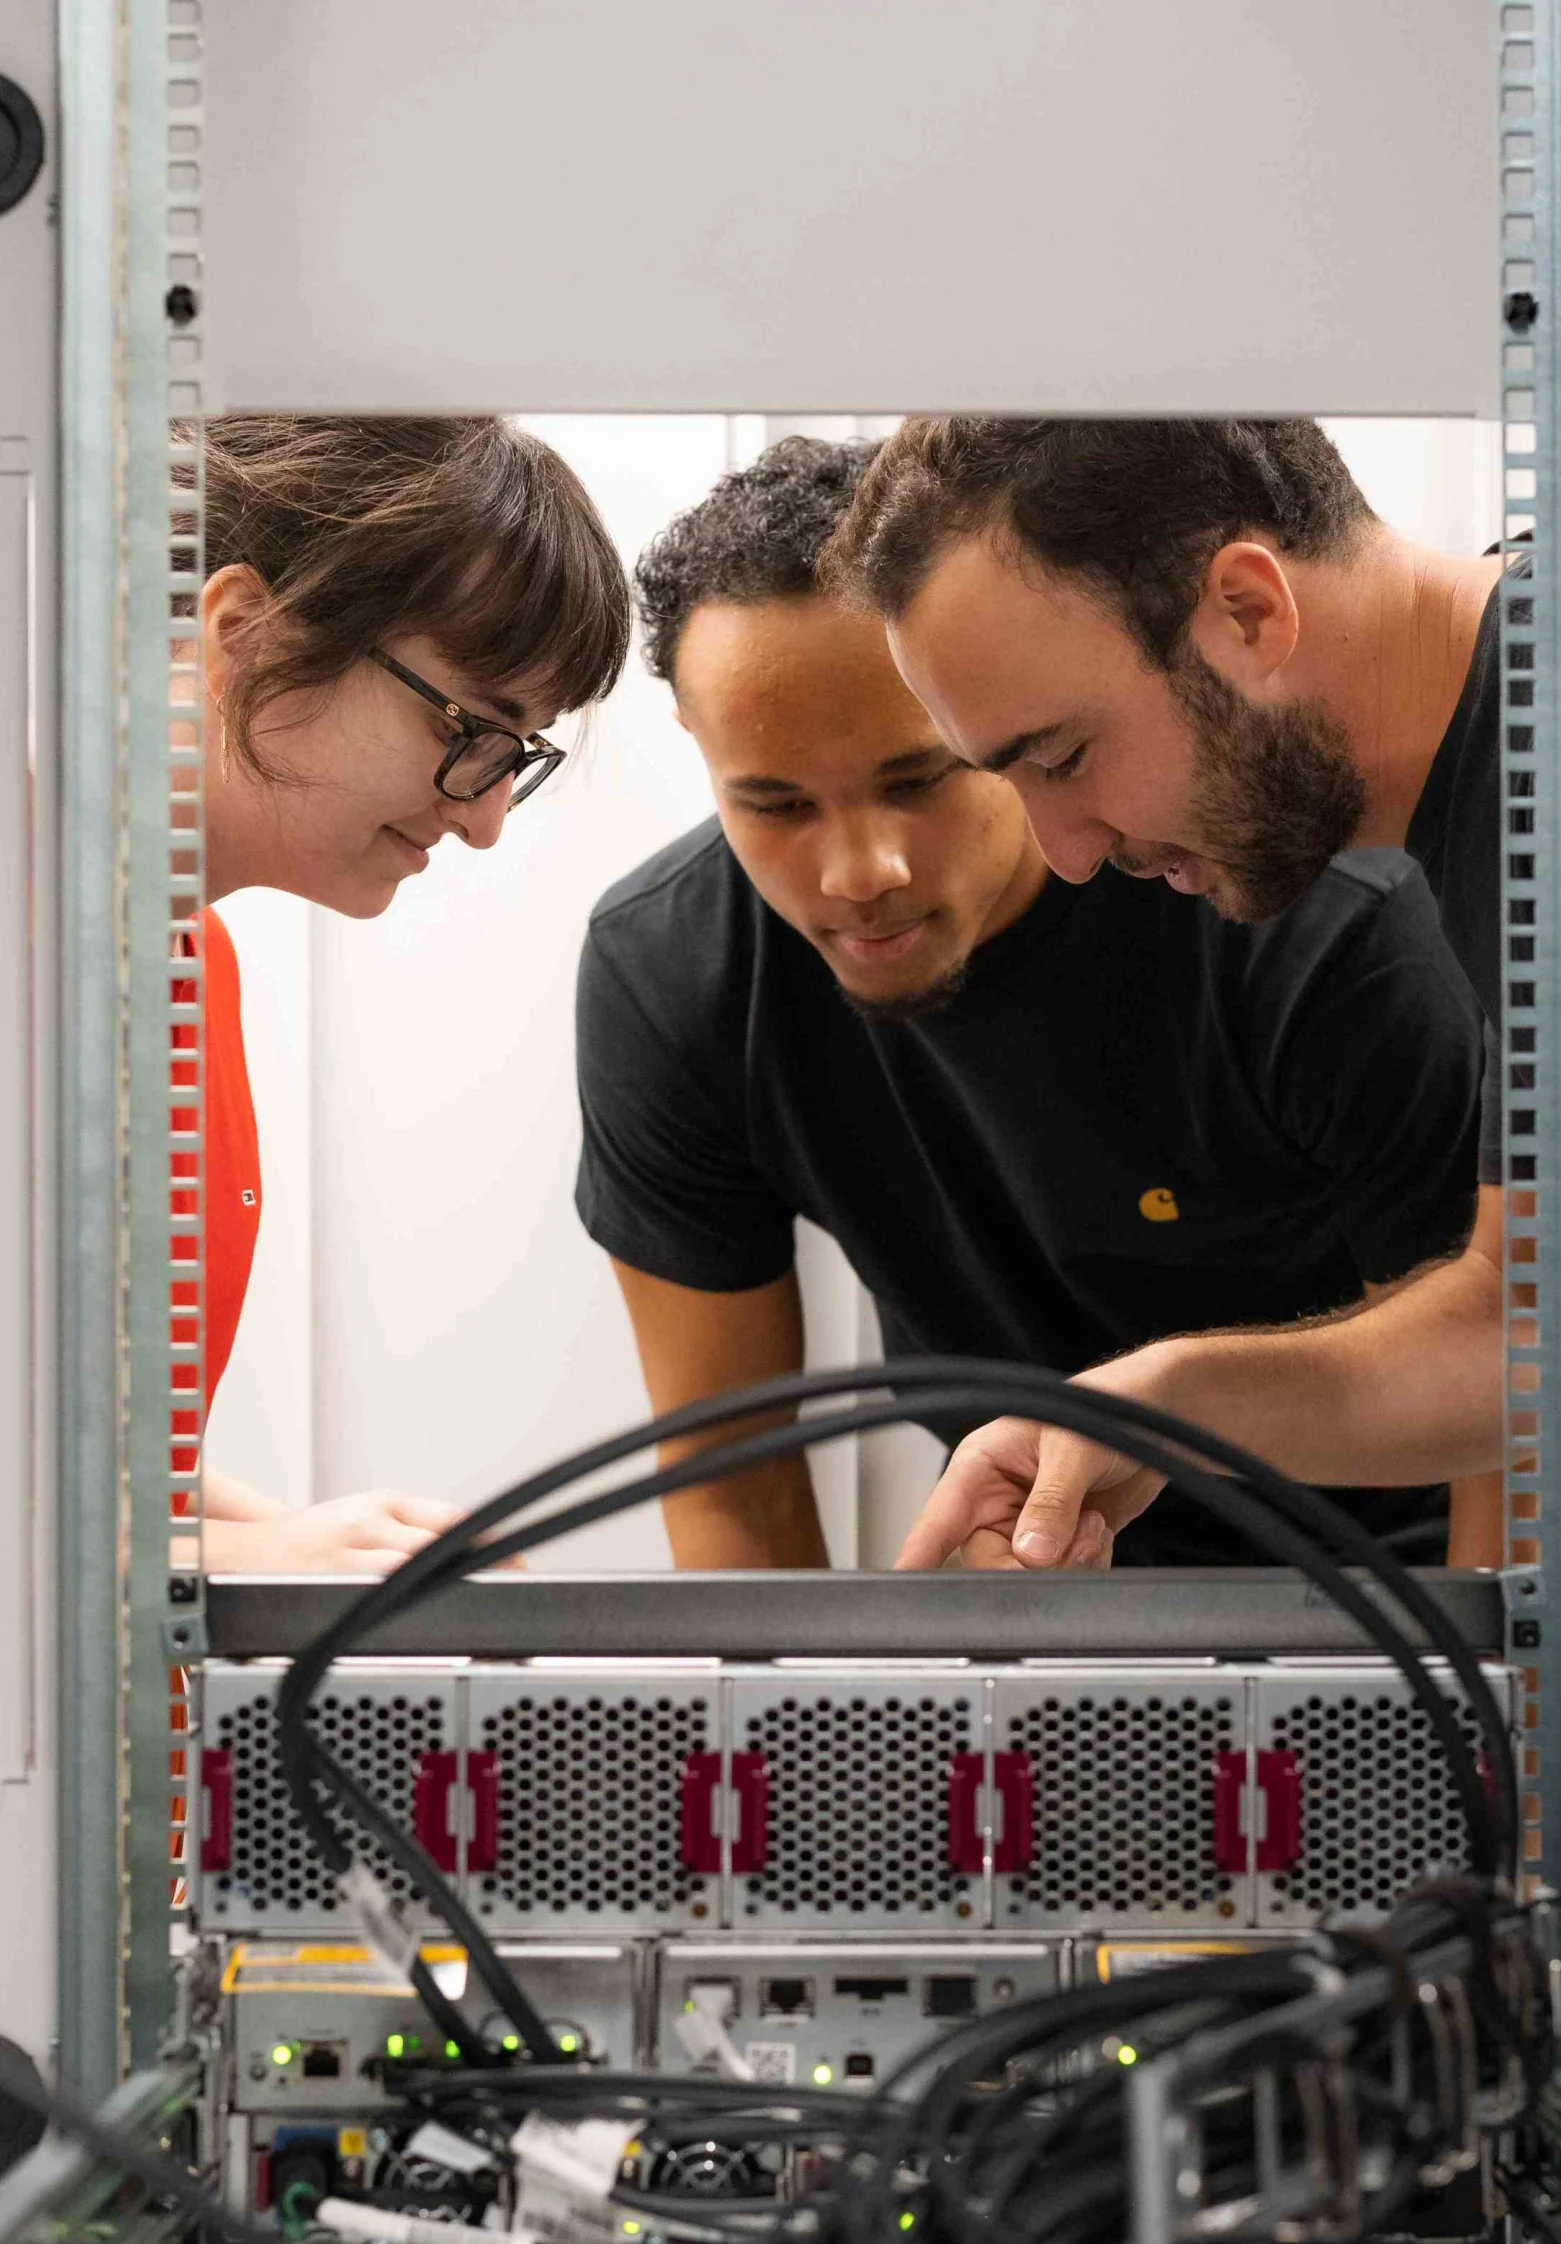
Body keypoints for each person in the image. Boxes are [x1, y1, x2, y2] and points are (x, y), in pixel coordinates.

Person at [574, 438, 1486, 1570]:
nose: (861, 870)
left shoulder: (1311, 911)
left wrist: (1492, 1725)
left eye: (921, 780)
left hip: (1379, 1607)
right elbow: (731, 1490)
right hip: (1016, 1607)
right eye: (773, 804)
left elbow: (1509, 1390)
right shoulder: (672, 972)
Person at [825, 417, 1509, 1573]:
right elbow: (1525, 1334)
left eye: (1064, 758)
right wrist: (1162, 1402)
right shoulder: (1505, 775)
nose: (1068, 851)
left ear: (1249, 610)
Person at [186, 413, 629, 1571]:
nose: (482, 819)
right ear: (245, 634)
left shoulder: (189, 969)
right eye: (473, 730)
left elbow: (83, 1465)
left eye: (516, 758)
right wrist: (235, 1566)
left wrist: (285, 1536)